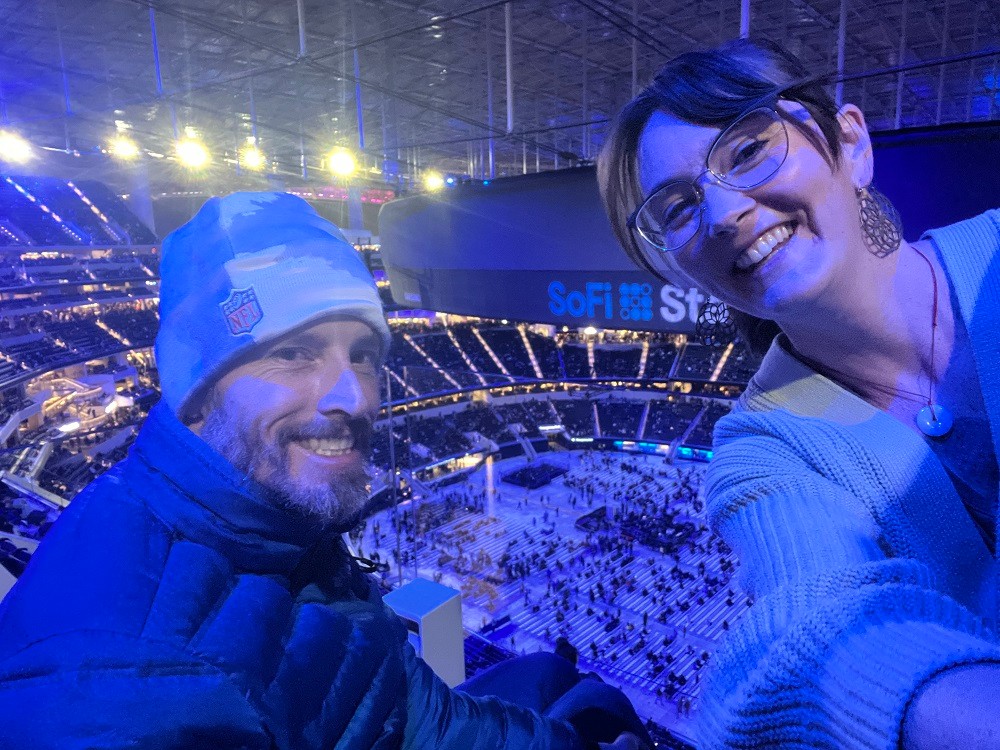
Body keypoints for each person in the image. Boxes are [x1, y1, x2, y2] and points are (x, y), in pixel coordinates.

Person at [0, 192, 648, 749]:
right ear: (198, 391)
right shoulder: (126, 683)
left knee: (570, 696)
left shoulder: (279, 536)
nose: (357, 398)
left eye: (362, 355)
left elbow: (417, 718)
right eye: (292, 353)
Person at [597, 38, 1000, 750]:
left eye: (748, 150)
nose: (722, 215)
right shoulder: (762, 449)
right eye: (679, 208)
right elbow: (818, 627)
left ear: (851, 143)